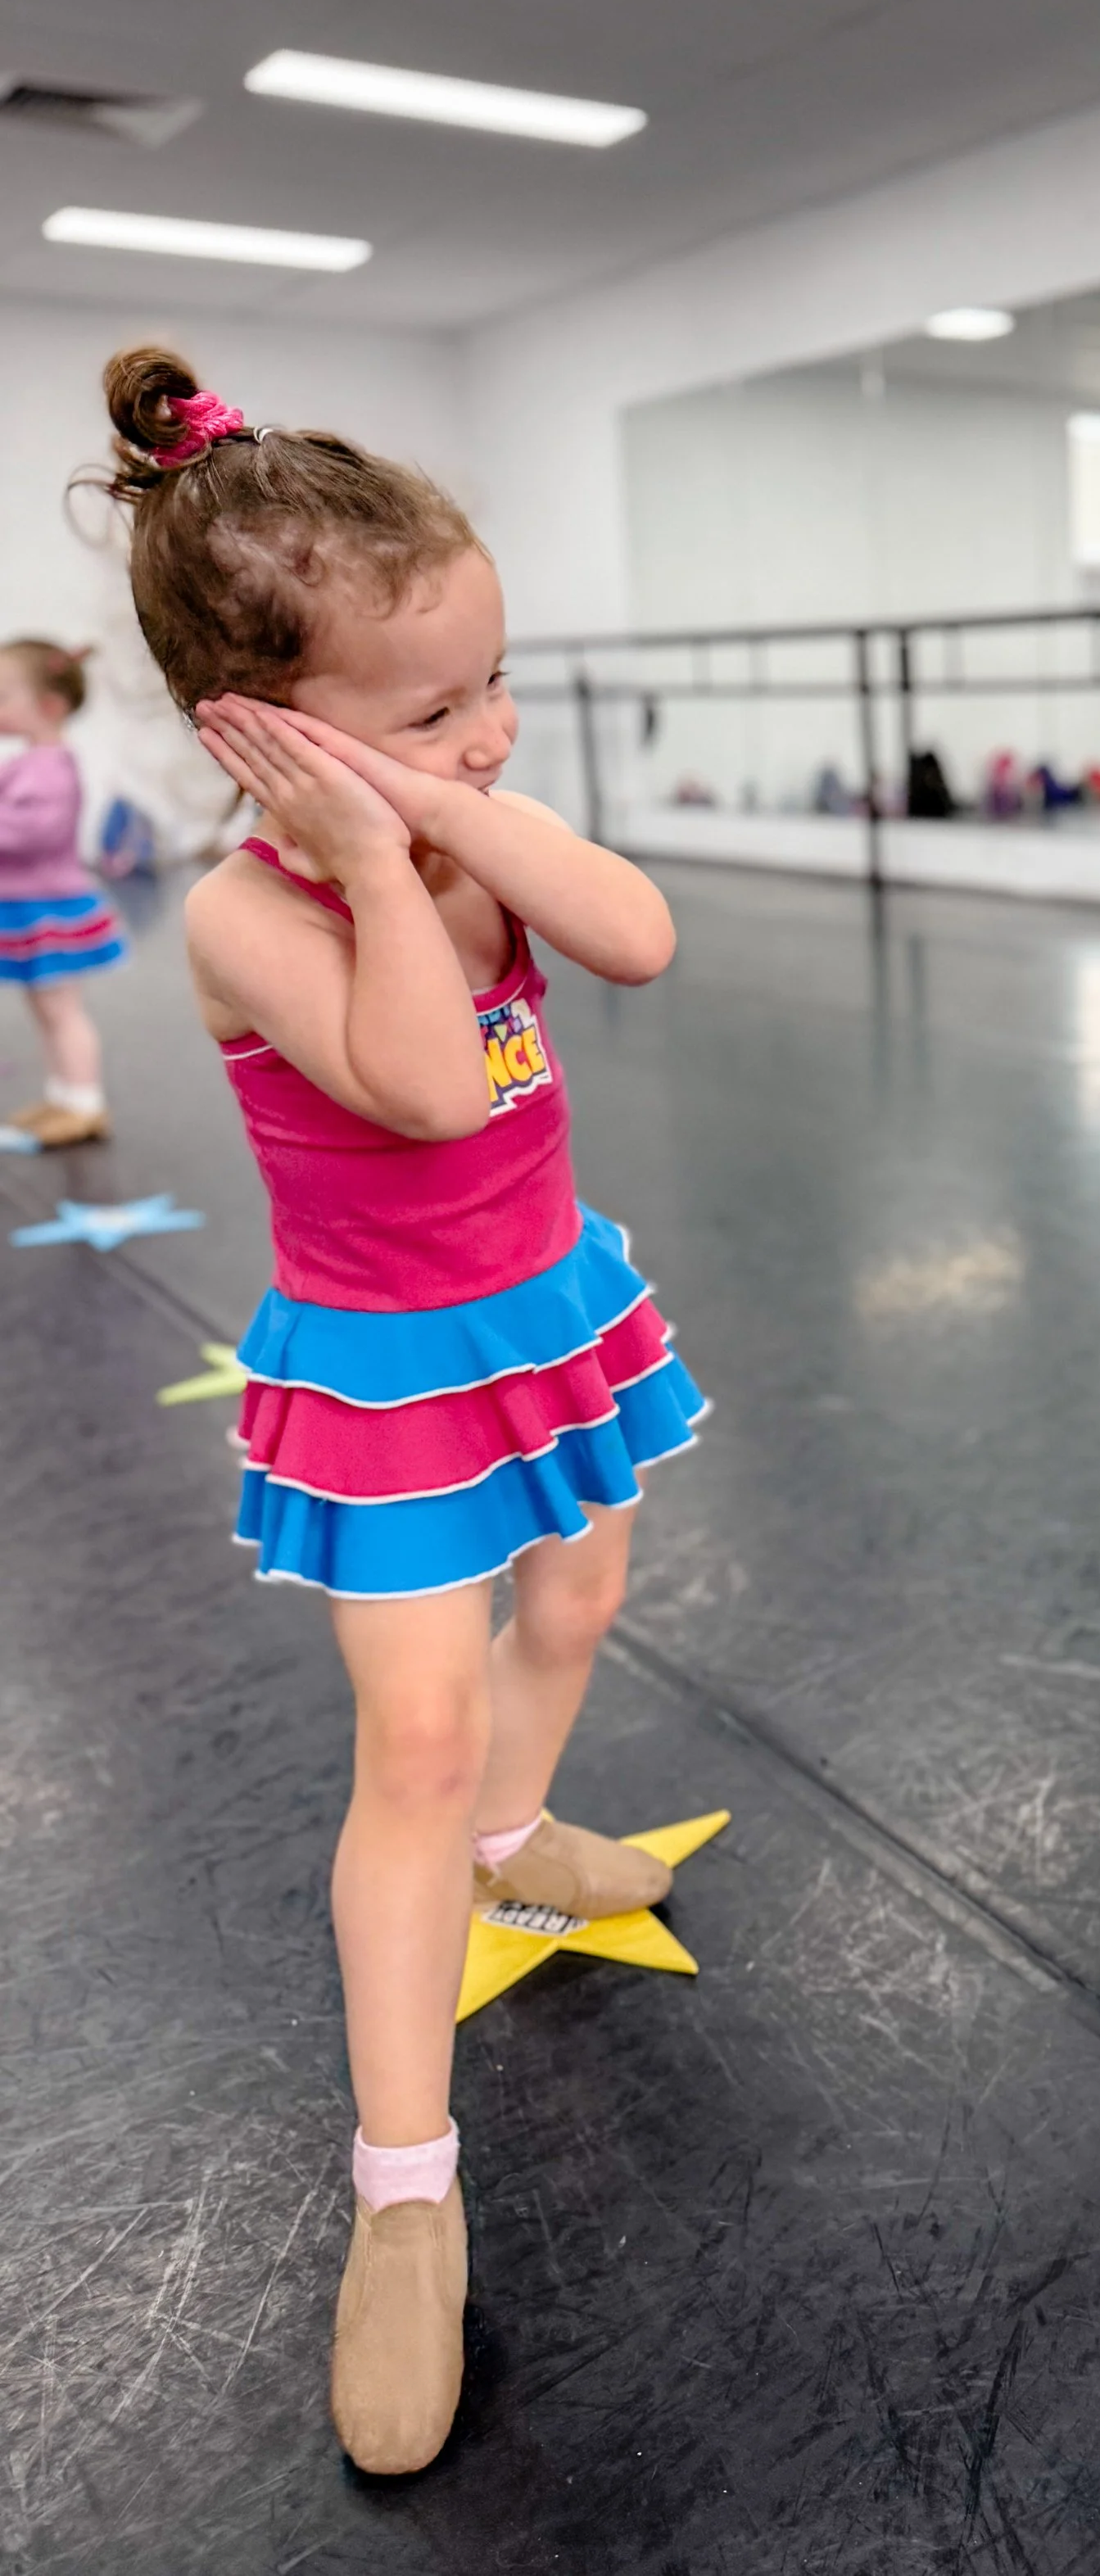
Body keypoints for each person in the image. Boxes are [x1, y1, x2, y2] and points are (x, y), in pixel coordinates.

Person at [90, 350, 708, 2475]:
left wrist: (450, 803)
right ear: (252, 738)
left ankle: (525, 1842)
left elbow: (633, 932)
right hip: (384, 1369)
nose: (488, 730)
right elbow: (434, 1084)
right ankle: (404, 2190)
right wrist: (376, 845)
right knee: (411, 1740)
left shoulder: (485, 829)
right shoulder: (245, 913)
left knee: (584, 1598)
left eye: (493, 681)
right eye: (431, 706)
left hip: (548, 1305)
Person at [0, 639, 124, 1147]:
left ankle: (85, 1103)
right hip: (26, 905)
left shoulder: (50, 767)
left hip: (48, 909)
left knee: (61, 1010)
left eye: (4, 696)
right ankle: (62, 1095)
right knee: (46, 1009)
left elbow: (36, 833)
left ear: (49, 707)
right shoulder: (31, 762)